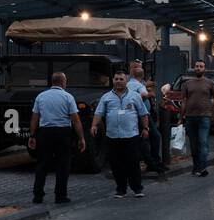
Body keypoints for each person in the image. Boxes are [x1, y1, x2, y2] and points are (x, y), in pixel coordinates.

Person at [28, 72, 86, 204]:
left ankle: (38, 195)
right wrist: (81, 138)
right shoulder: (68, 97)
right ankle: (60, 195)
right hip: (63, 132)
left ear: (52, 82)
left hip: (45, 132)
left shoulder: (41, 96)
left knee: (42, 164)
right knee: (63, 164)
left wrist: (32, 135)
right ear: (63, 82)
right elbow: (75, 120)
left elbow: (35, 118)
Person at [92, 70, 148, 198]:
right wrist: (94, 125)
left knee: (133, 163)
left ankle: (137, 188)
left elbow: (143, 114)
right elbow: (98, 113)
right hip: (112, 136)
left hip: (131, 135)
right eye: (116, 79)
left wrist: (145, 128)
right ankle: (121, 189)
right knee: (116, 164)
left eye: (121, 79)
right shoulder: (106, 97)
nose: (118, 81)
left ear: (126, 81)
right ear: (113, 81)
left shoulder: (135, 96)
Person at [180, 61, 214, 177]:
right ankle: (196, 167)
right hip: (190, 117)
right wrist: (180, 117)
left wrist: (213, 113)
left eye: (201, 66)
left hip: (204, 116)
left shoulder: (210, 83)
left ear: (204, 69)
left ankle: (202, 167)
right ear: (194, 68)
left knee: (203, 142)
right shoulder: (187, 84)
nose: (198, 68)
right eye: (197, 66)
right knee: (193, 144)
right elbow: (184, 101)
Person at [128, 60, 164, 178]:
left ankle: (152, 162)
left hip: (143, 113)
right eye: (136, 67)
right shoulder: (135, 84)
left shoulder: (137, 83)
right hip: (142, 114)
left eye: (140, 67)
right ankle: (153, 162)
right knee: (152, 137)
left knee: (146, 139)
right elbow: (143, 95)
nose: (138, 68)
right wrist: (150, 94)